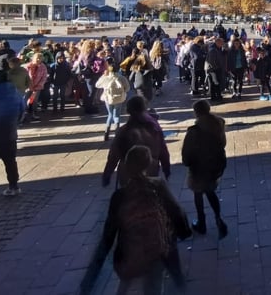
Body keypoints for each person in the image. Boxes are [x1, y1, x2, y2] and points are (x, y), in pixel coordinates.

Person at [81, 145, 191, 295]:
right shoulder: (158, 185)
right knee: (154, 286)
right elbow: (175, 211)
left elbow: (108, 235)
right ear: (148, 164)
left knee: (125, 283)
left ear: (126, 166)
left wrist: (93, 272)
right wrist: (184, 231)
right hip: (156, 250)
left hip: (129, 253)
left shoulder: (119, 196)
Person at [181, 99, 228, 239]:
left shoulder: (194, 131)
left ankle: (201, 222)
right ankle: (218, 217)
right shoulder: (218, 124)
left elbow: (187, 152)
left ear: (196, 113)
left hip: (199, 166)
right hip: (216, 163)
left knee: (198, 192)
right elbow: (222, 143)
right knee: (209, 190)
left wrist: (187, 162)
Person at [102, 96, 171, 187]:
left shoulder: (124, 130)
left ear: (128, 111)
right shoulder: (154, 128)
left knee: (130, 197)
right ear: (144, 108)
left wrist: (107, 173)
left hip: (128, 172)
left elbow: (114, 155)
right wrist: (166, 168)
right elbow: (162, 149)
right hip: (150, 168)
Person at [96, 59, 132, 141]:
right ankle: (117, 133)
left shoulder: (106, 78)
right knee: (117, 115)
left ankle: (106, 133)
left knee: (110, 114)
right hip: (118, 98)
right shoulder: (121, 78)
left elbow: (97, 85)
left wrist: (103, 76)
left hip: (108, 98)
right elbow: (127, 88)